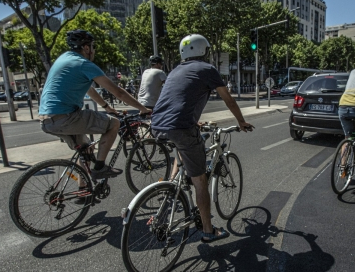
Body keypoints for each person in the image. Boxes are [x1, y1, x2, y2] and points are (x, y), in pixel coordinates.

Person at [151, 34, 254, 243]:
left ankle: (170, 192)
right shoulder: (207, 70)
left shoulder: (174, 71)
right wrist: (241, 121)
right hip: (181, 128)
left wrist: (193, 121)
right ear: (203, 51)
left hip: (158, 126)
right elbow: (228, 99)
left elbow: (177, 99)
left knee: (180, 157)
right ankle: (208, 230)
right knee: (200, 181)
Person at [38, 29, 152, 180]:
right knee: (114, 124)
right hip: (66, 117)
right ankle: (100, 168)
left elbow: (90, 90)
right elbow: (119, 93)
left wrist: (107, 107)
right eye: (93, 46)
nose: (94, 50)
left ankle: (83, 190)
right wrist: (143, 109)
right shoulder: (84, 63)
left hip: (46, 120)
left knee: (86, 150)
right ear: (86, 48)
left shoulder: (64, 59)